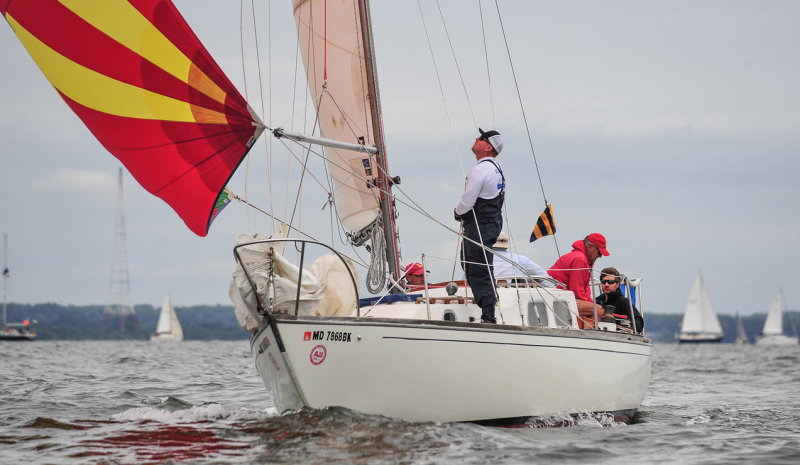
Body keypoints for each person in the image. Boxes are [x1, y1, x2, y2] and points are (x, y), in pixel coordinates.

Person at [454, 128, 505, 323]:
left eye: (481, 138)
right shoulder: (496, 169)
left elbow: (467, 201)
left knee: (476, 266)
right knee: (474, 262)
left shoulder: (480, 170)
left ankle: (488, 315)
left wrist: (457, 212)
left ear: (488, 146)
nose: (476, 139)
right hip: (492, 222)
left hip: (480, 224)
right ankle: (491, 302)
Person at [547, 233, 609, 328]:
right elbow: (577, 292)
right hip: (557, 299)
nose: (600, 256)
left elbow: (583, 292)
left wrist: (592, 304)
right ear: (590, 247)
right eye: (599, 252)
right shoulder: (580, 260)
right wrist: (597, 308)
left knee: (598, 309)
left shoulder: (581, 258)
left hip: (560, 298)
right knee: (598, 311)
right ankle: (584, 334)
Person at [595, 267, 644, 332]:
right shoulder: (596, 301)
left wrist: (624, 324)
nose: (606, 285)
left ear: (618, 284)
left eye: (611, 282)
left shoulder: (624, 302)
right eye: (603, 282)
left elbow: (639, 323)